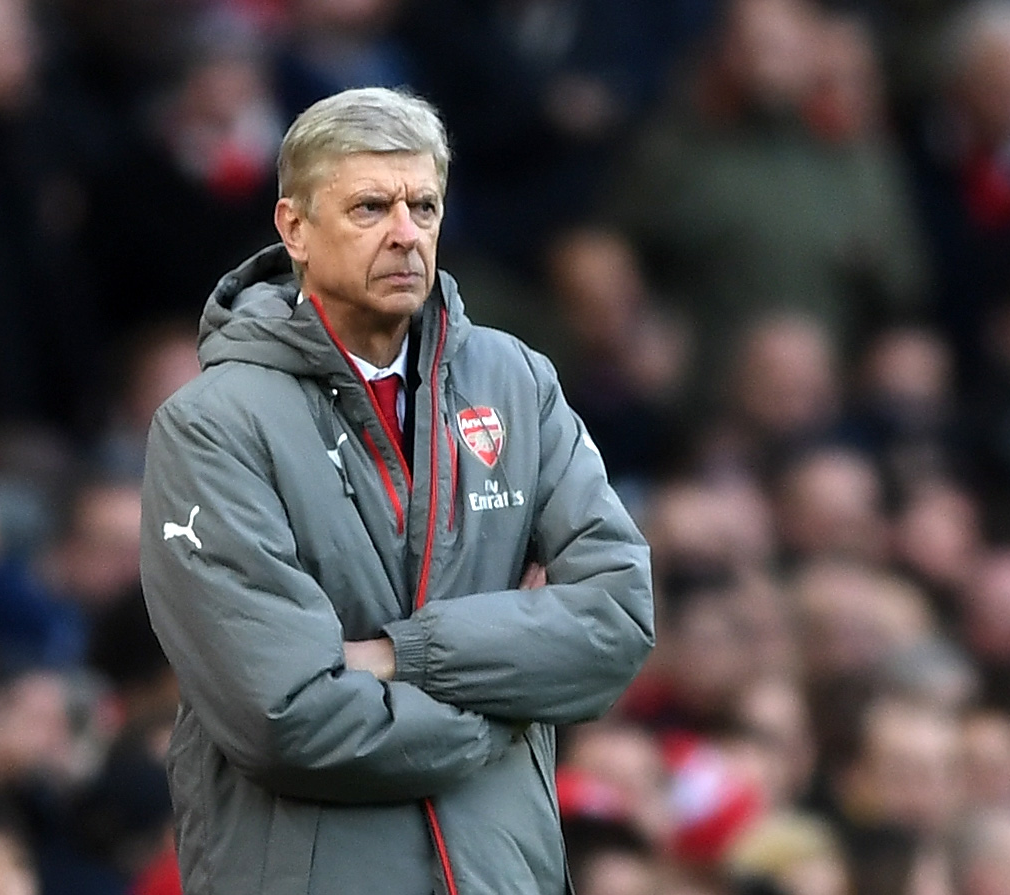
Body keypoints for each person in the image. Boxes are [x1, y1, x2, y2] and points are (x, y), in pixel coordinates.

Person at [139, 87, 655, 894]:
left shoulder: (516, 379)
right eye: (371, 207)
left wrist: (397, 656)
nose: (405, 234)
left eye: (423, 205)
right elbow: (285, 717)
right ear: (294, 228)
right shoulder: (212, 424)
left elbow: (617, 623)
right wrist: (508, 698)